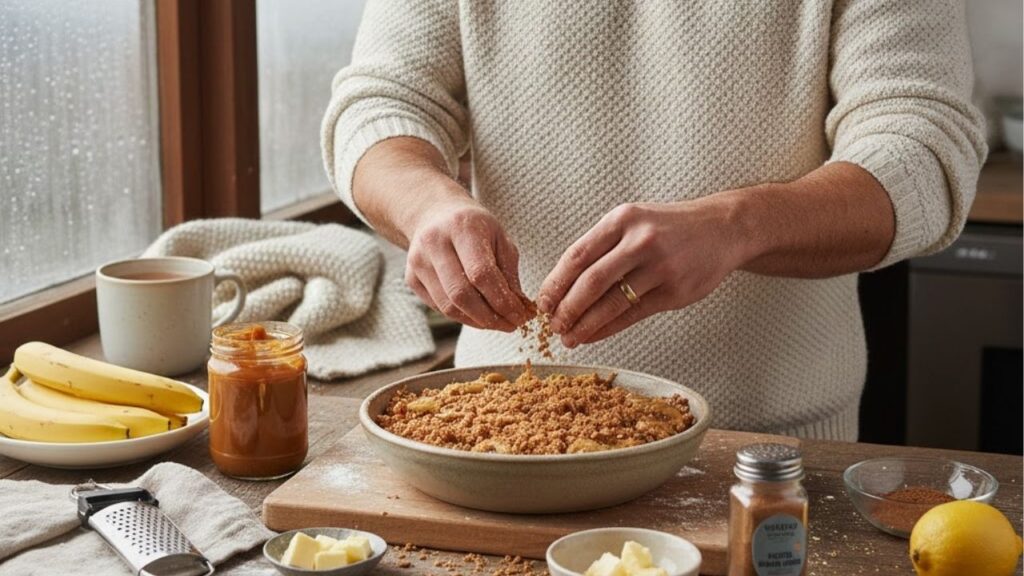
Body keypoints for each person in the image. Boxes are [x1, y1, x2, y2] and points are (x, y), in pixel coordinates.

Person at [321, 1, 986, 440]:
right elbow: (380, 103)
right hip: (498, 433)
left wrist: (736, 226)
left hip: (770, 453)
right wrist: (428, 204)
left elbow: (924, 152)